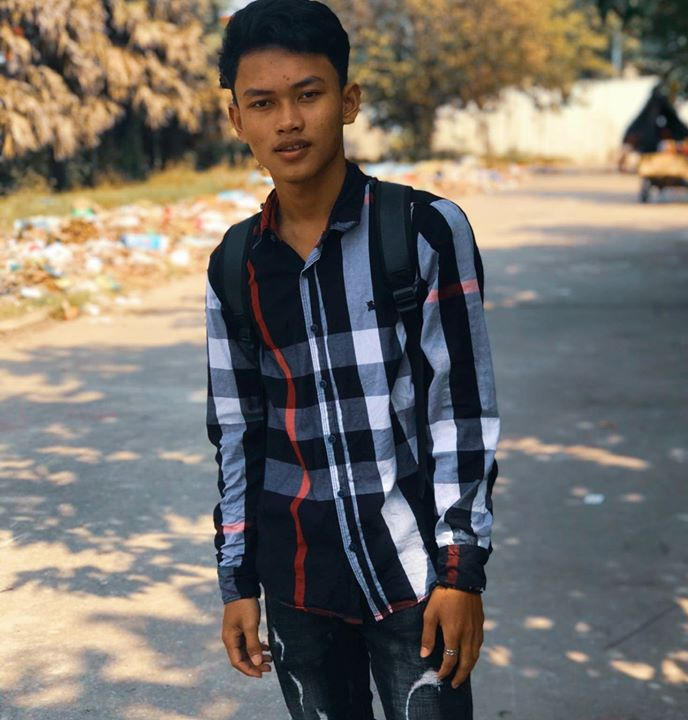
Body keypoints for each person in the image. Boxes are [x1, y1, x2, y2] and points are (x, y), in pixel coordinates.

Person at [204, 1, 501, 717]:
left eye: (308, 94)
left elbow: (460, 412)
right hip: (297, 586)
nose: (288, 121)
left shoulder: (422, 231)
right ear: (238, 119)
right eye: (263, 103)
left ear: (348, 101)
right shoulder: (236, 264)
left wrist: (461, 571)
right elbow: (239, 431)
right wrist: (237, 582)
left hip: (414, 580)